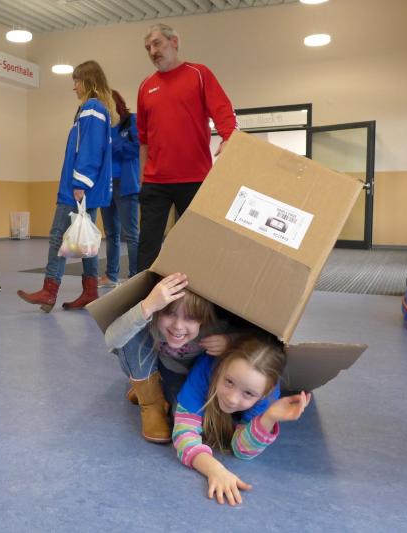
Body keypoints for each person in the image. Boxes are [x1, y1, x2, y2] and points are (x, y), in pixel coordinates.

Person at [136, 23, 237, 272]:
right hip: (155, 182)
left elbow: (223, 110)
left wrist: (228, 138)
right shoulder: (146, 86)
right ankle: (144, 295)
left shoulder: (199, 74)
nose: (153, 51)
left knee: (196, 244)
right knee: (147, 246)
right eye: (148, 48)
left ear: (174, 42)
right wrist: (142, 178)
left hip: (194, 179)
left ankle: (196, 292)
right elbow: (144, 139)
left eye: (157, 43)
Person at [16, 60, 114, 312]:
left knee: (58, 236)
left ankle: (49, 290)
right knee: (86, 239)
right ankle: (90, 292)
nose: (74, 87)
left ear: (88, 81)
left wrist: (80, 182)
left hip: (78, 188)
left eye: (77, 81)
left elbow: (90, 148)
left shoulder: (91, 108)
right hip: (88, 189)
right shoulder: (97, 109)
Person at [173, 335, 311, 506]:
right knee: (171, 402)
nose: (232, 399)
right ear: (221, 368)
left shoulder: (266, 395)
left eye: (248, 393)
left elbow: (242, 451)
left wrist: (268, 418)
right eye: (229, 382)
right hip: (179, 373)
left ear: (265, 394)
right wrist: (214, 470)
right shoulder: (204, 372)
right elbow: (183, 433)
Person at [104, 272, 237, 443]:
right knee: (132, 331)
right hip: (154, 368)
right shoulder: (152, 318)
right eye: (169, 313)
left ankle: (149, 391)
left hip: (184, 378)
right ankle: (151, 403)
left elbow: (254, 340)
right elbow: (112, 340)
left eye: (190, 317)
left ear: (203, 320)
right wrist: (148, 306)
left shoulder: (213, 328)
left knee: (186, 419)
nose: (178, 326)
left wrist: (230, 342)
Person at [98, 90, 140, 288]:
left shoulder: (131, 121)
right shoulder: (102, 126)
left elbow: (138, 147)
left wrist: (114, 145)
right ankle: (111, 276)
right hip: (106, 185)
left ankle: (135, 277)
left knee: (131, 234)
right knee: (111, 233)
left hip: (126, 183)